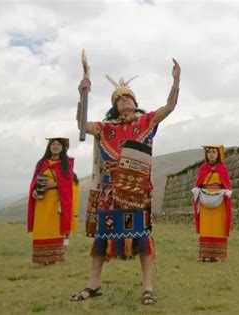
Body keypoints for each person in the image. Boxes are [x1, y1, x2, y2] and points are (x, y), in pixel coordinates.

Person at [71, 59, 181, 305]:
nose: (124, 99)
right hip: (109, 189)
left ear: (135, 101)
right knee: (102, 237)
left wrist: (175, 81)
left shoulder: (146, 122)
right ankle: (94, 283)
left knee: (142, 236)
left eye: (128, 97)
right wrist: (82, 94)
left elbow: (170, 106)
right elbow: (81, 124)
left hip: (137, 189)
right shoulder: (104, 128)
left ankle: (148, 286)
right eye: (119, 98)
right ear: (114, 105)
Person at [27, 138, 74, 265]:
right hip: (41, 201)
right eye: (53, 144)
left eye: (58, 144)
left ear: (63, 148)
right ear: (49, 146)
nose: (55, 146)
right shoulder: (41, 163)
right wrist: (35, 191)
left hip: (56, 201)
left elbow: (68, 183)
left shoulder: (65, 164)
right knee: (41, 227)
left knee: (54, 227)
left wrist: (52, 184)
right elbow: (35, 181)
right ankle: (41, 259)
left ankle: (55, 258)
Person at [192, 145, 232, 262]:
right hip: (205, 200)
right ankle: (205, 254)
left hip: (219, 202)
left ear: (218, 154)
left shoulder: (223, 169)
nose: (211, 155)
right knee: (206, 226)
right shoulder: (202, 169)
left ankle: (217, 254)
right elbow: (199, 183)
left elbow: (226, 184)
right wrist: (197, 191)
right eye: (209, 152)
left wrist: (225, 192)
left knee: (217, 226)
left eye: (214, 152)